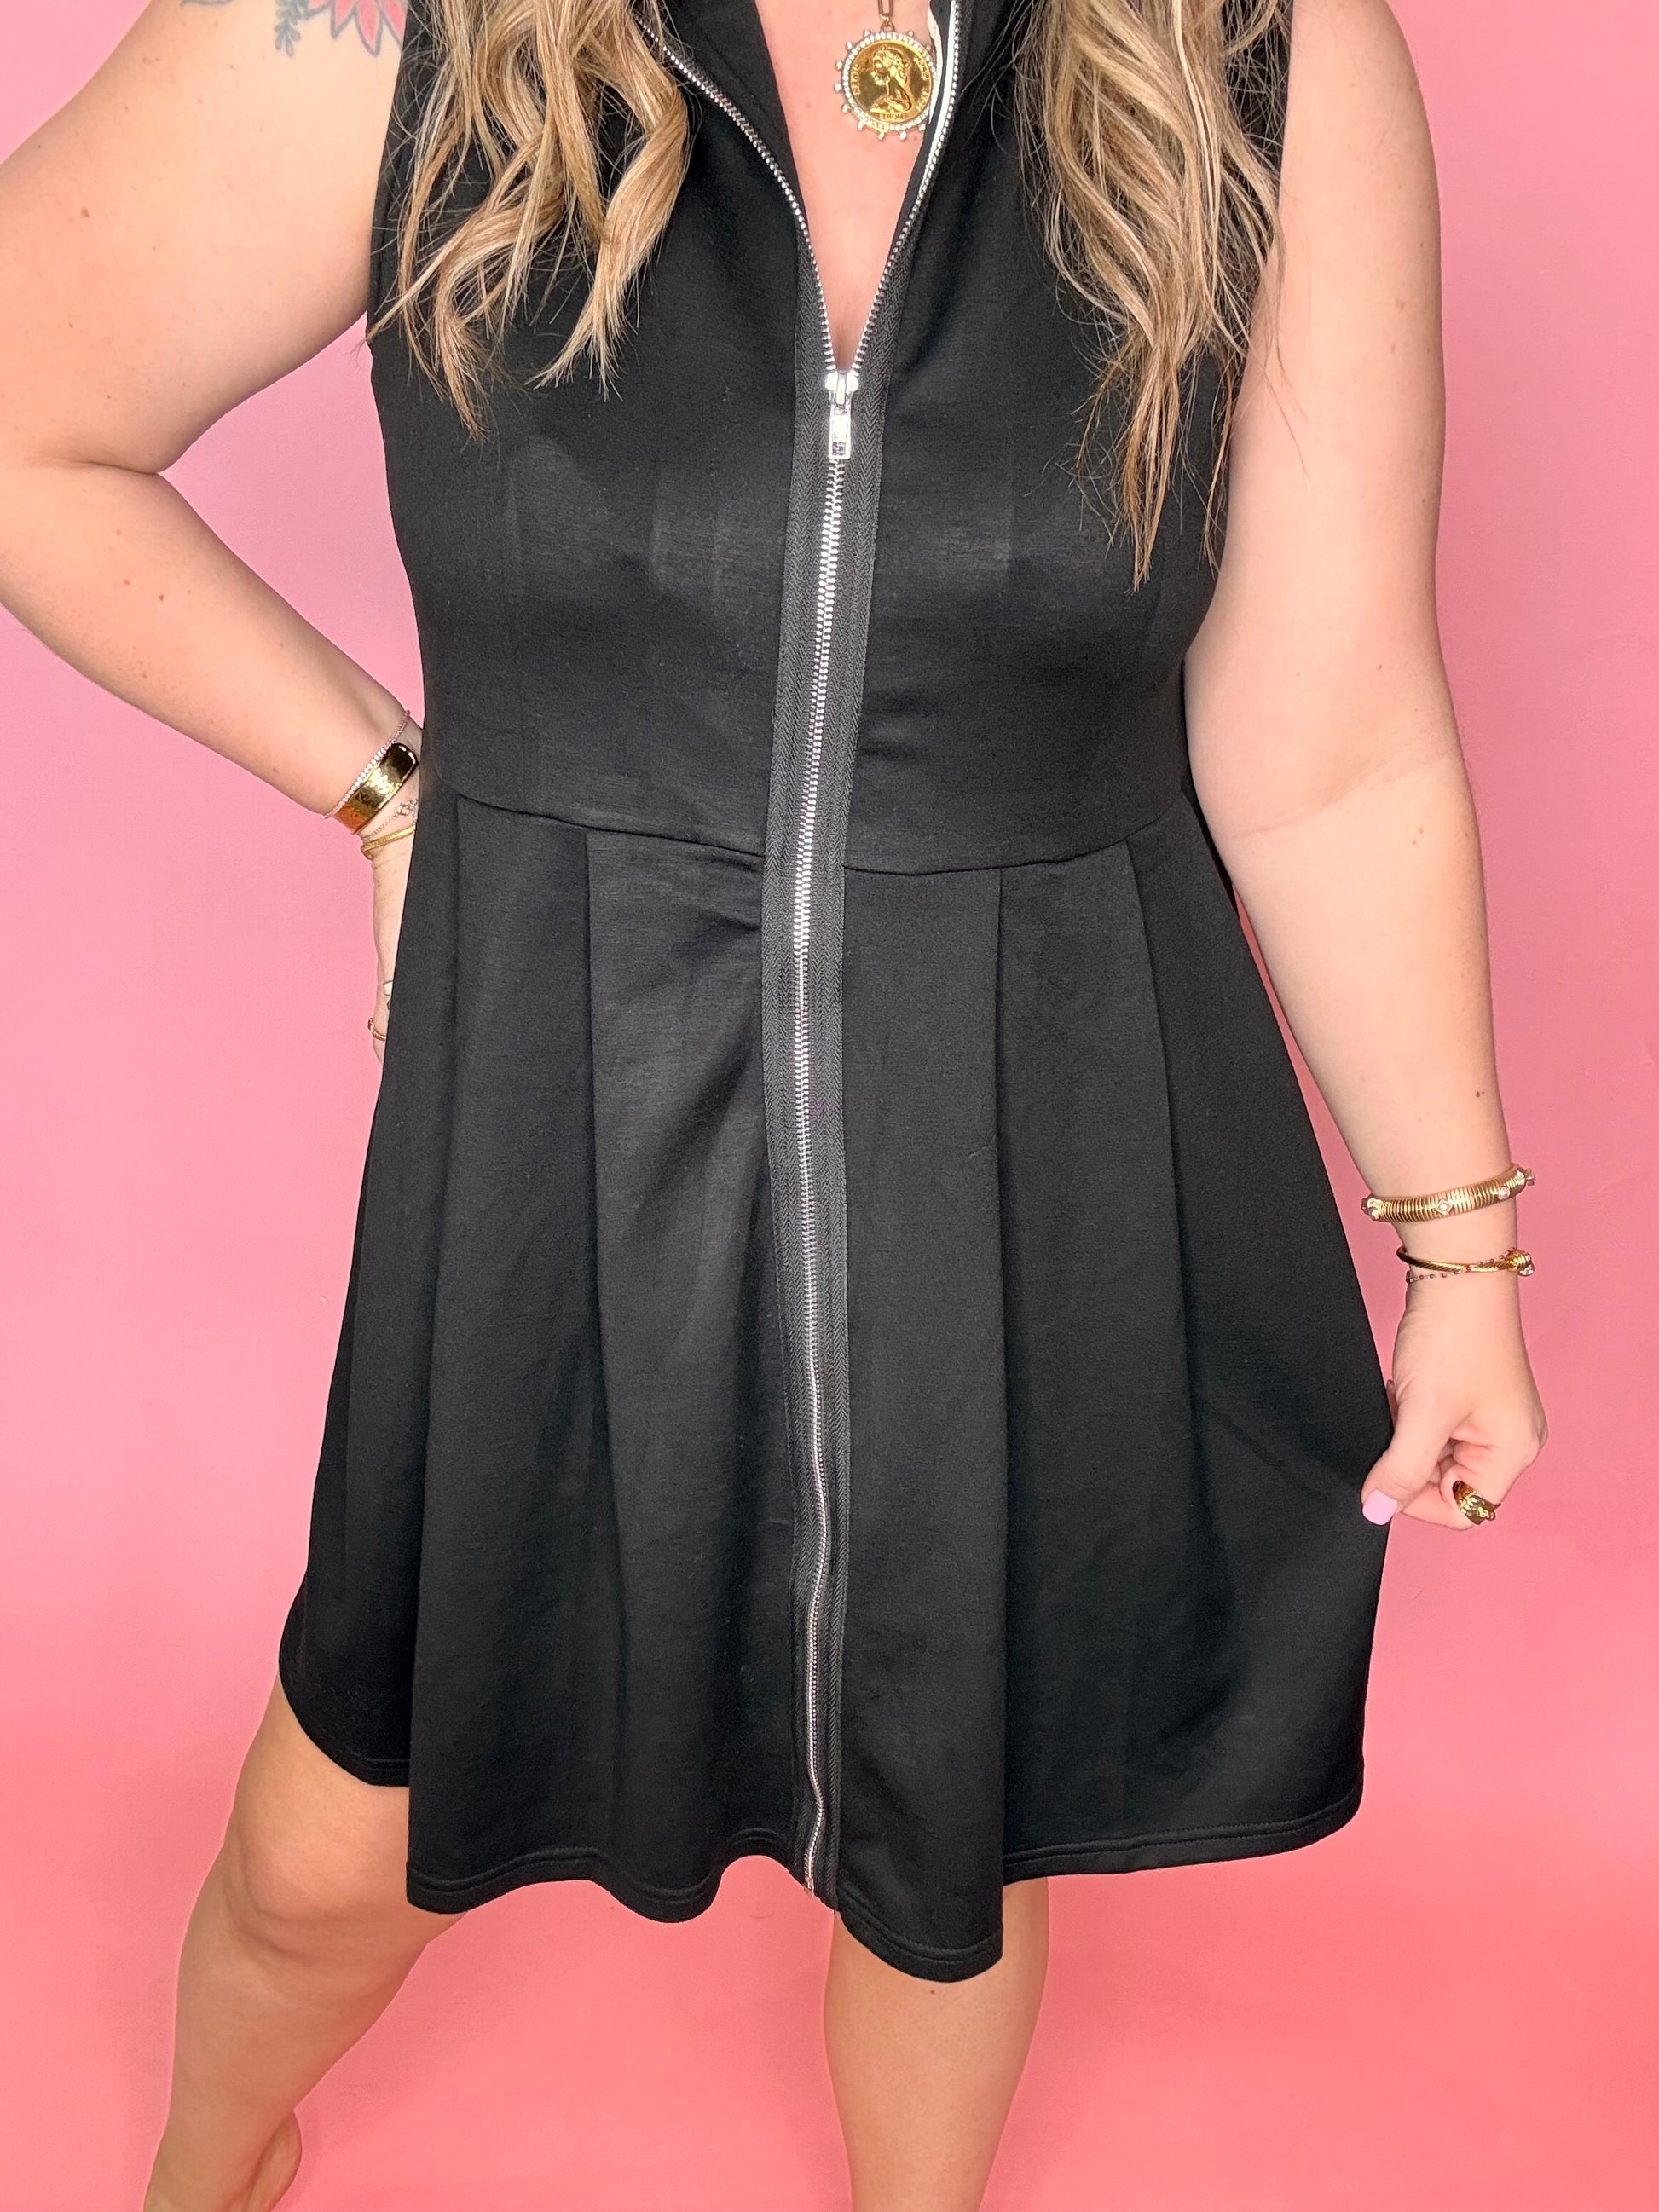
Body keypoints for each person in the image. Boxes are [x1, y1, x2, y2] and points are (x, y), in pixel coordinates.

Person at [0, 0, 1547, 2202]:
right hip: (561, 1145)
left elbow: (1331, 734)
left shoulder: (1253, 54)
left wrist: (1461, 1245)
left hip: (1012, 1143)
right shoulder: (391, 25)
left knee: (946, 1860)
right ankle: (202, 2170)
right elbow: (25, 413)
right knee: (328, 1853)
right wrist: (380, 784)